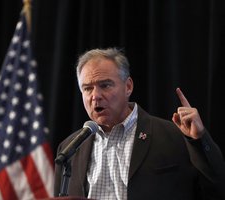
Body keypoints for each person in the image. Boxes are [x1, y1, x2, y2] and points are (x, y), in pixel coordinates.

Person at [54, 47, 225, 200]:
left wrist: (199, 140)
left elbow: (216, 188)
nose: (95, 96)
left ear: (128, 86)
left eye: (105, 85)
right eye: (87, 88)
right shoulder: (69, 148)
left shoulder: (174, 136)